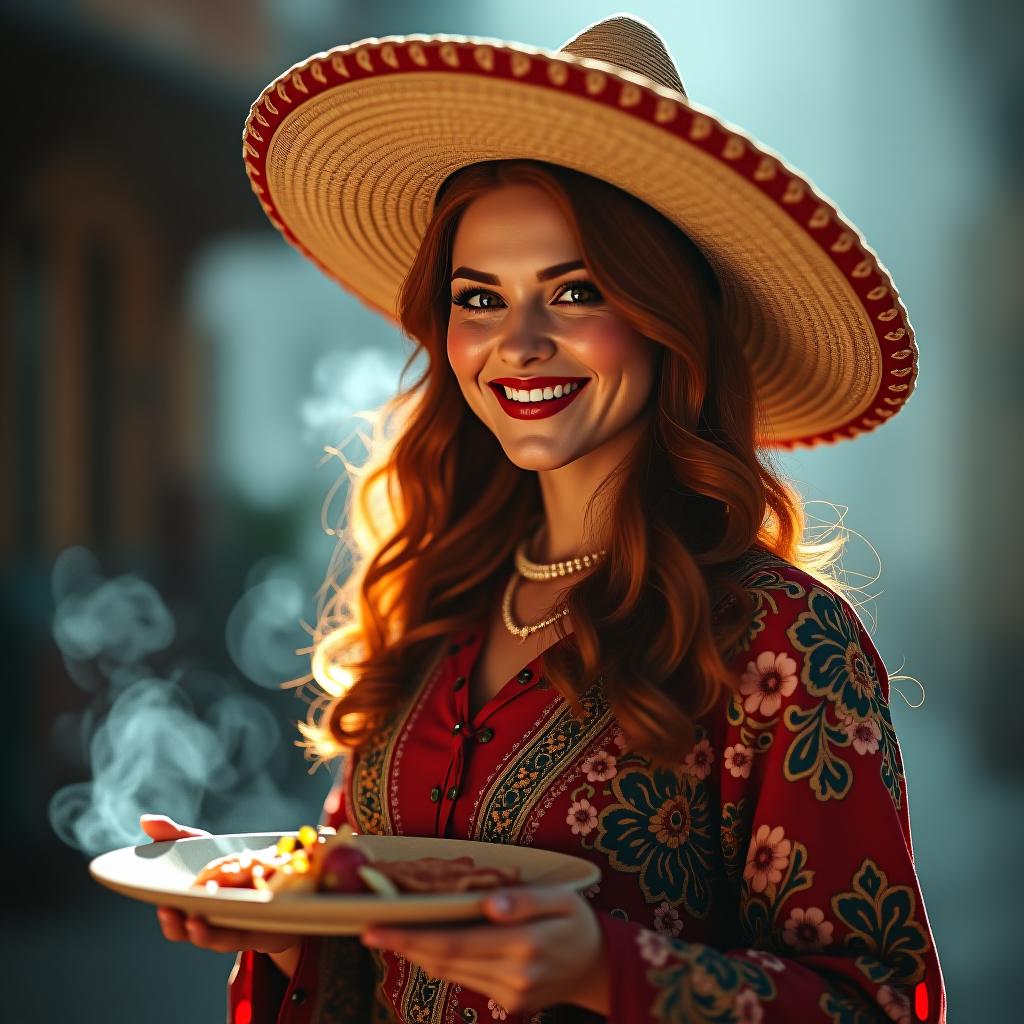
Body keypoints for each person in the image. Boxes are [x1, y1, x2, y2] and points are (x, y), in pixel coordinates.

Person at [147, 13, 947, 1024]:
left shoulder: (786, 644)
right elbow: (368, 920)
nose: (516, 343)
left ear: (667, 321)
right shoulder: (429, 602)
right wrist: (285, 922)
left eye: (574, 291)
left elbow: (873, 1004)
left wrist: (610, 971)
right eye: (478, 298)